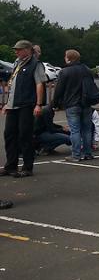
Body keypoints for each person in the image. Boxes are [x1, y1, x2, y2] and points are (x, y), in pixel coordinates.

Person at [2, 40, 47, 177]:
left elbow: (39, 84)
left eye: (19, 49)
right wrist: (7, 103)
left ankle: (27, 167)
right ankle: (11, 166)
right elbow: (13, 84)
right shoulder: (17, 63)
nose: (16, 52)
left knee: (25, 135)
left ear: (27, 50)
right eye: (15, 49)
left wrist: (38, 104)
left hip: (26, 104)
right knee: (9, 134)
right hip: (13, 104)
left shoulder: (35, 64)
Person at [51, 49, 95, 162]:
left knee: (75, 130)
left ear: (68, 58)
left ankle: (76, 154)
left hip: (72, 103)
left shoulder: (65, 72)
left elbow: (59, 89)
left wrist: (55, 103)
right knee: (87, 129)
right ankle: (88, 153)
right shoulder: (87, 70)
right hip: (86, 103)